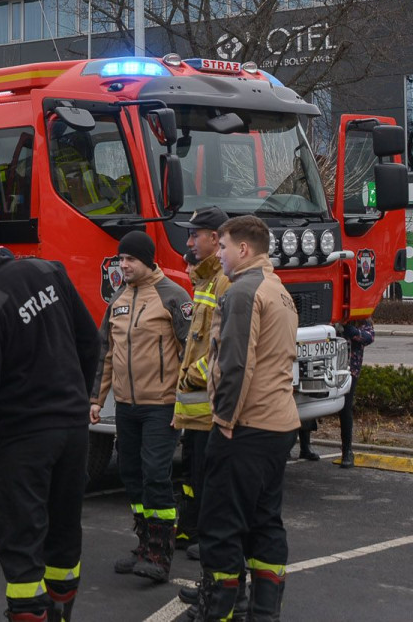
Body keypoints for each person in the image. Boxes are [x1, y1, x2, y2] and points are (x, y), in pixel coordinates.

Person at [0, 213, 100, 622]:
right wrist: (75, 399)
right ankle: (61, 612)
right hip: (72, 430)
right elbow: (89, 341)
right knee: (64, 535)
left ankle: (29, 612)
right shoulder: (49, 271)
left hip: (23, 438)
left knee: (21, 543)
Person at [193, 215, 301, 621]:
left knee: (221, 524)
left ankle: (218, 612)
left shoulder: (242, 291)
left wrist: (223, 420)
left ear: (243, 249)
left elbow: (236, 363)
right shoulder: (278, 290)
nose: (218, 254)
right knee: (266, 523)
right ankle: (264, 613)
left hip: (246, 427)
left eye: (222, 247)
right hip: (278, 424)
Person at [90, 231, 191, 584]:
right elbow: (105, 353)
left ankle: (160, 554)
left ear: (148, 260)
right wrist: (96, 400)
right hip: (126, 406)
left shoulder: (173, 296)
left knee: (155, 474)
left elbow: (192, 352)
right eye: (121, 259)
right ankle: (145, 543)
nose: (124, 265)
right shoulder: (119, 298)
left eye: (130, 259)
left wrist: (187, 400)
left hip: (161, 406)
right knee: (130, 473)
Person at [171, 207, 231, 555]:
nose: (189, 242)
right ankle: (192, 528)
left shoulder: (223, 281)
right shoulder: (206, 280)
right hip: (197, 403)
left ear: (214, 237)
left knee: (209, 473)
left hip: (210, 401)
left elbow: (224, 348)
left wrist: (194, 376)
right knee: (194, 471)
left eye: (195, 235)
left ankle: (208, 538)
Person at [338, 319, 375, 468]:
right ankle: (305, 446)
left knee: (345, 408)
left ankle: (347, 451)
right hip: (327, 368)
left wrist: (351, 330)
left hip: (350, 370)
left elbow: (369, 337)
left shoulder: (361, 318)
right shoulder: (332, 317)